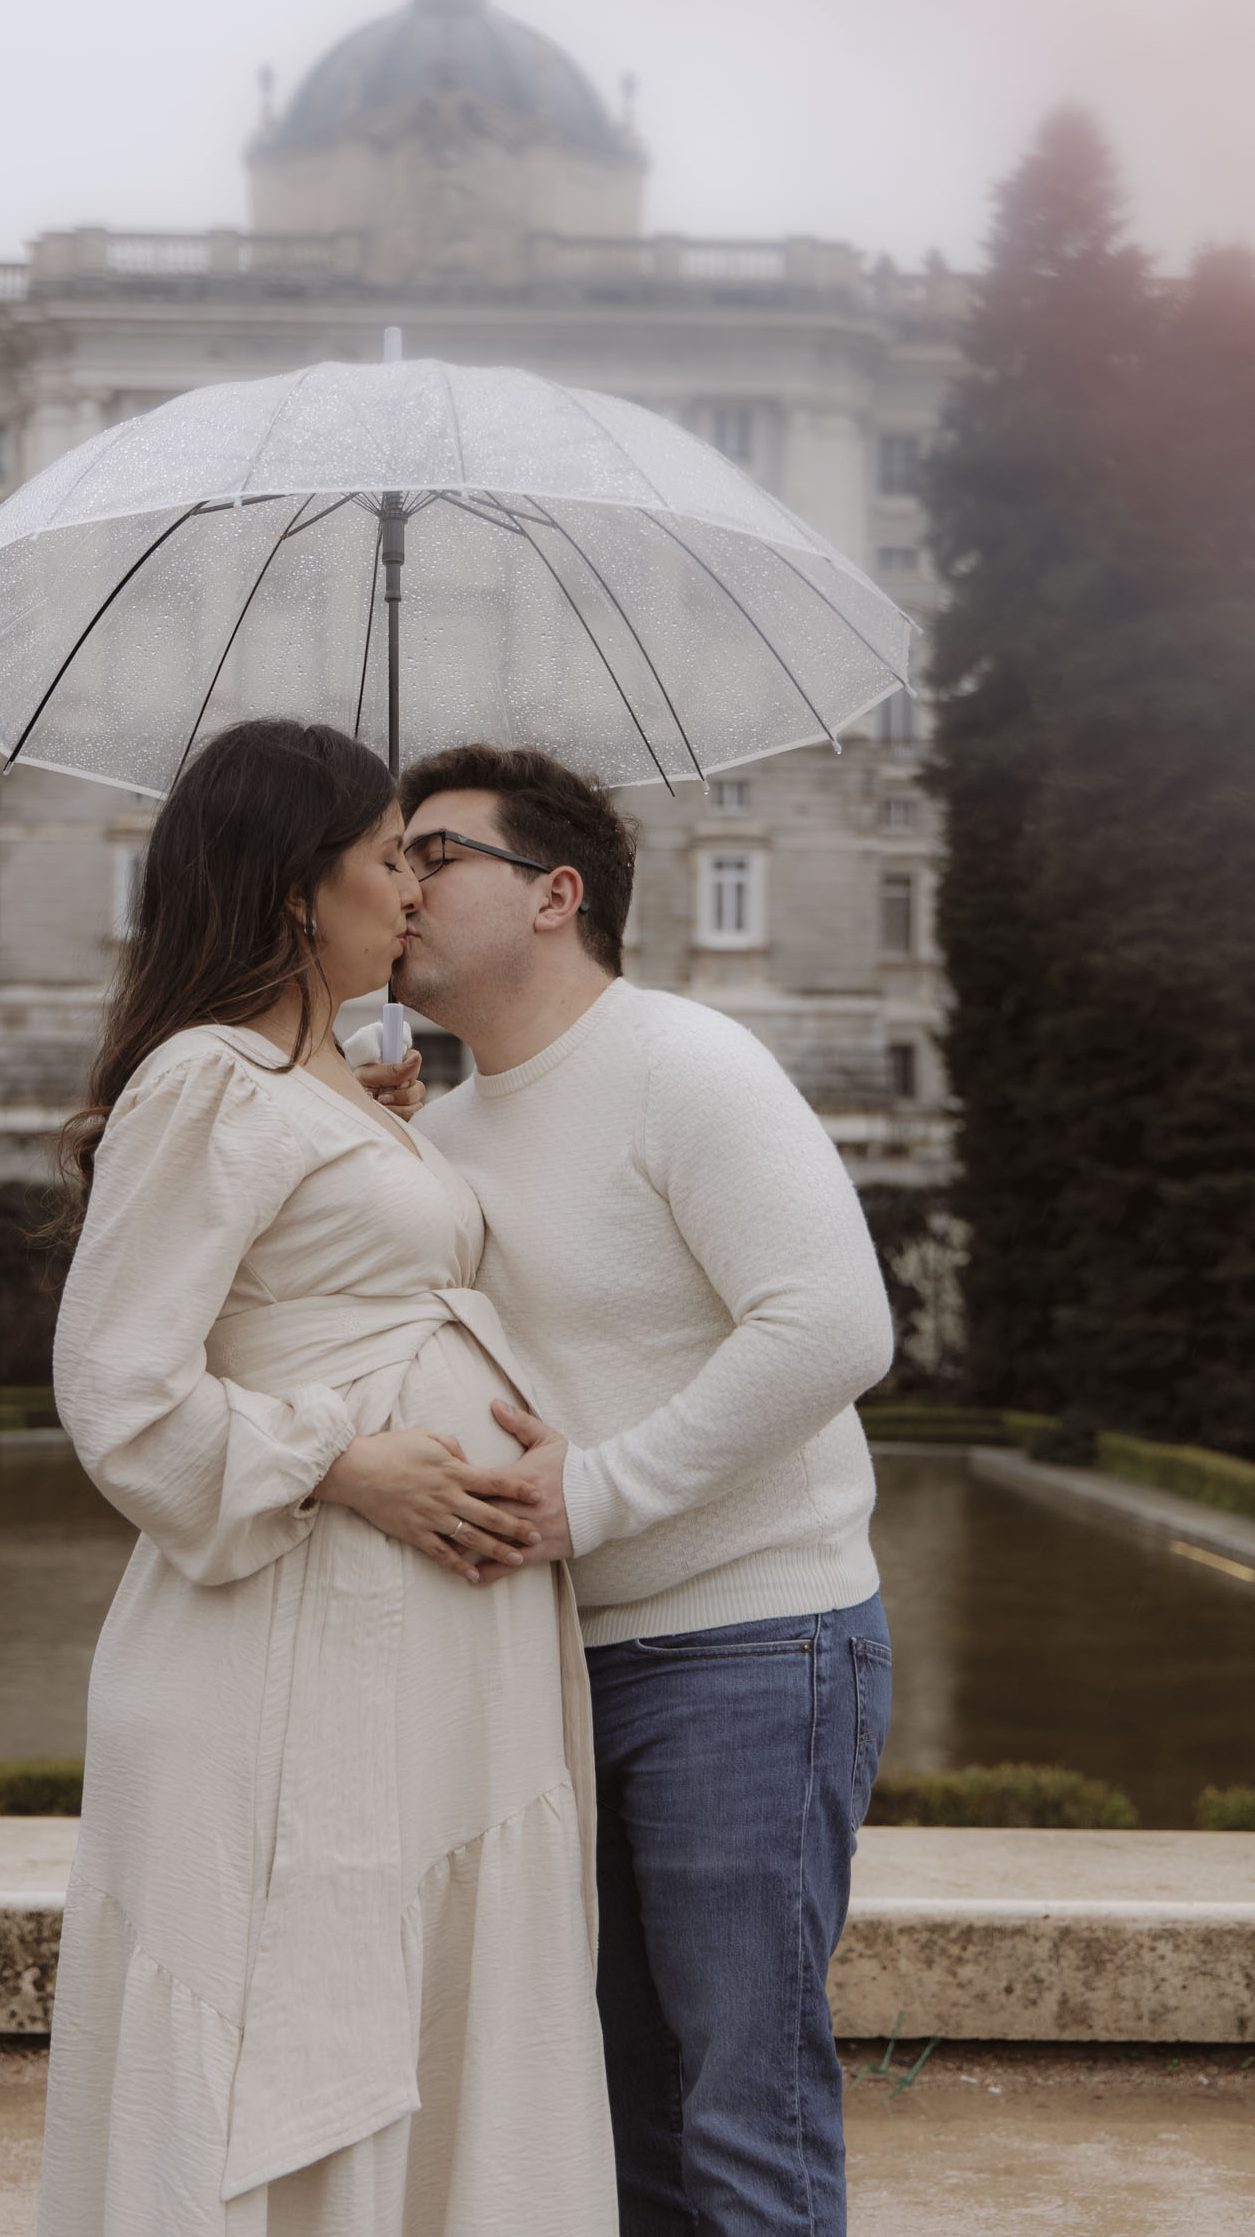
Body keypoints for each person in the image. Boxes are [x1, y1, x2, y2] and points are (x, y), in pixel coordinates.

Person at [39, 720, 616, 2237]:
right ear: (300, 891)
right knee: (292, 1997)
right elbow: (117, 1387)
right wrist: (343, 1462)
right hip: (290, 1637)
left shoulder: (334, 1084)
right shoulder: (208, 1081)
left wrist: (378, 1138)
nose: (412, 893)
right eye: (386, 858)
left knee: (419, 2000)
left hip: (416, 1656)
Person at [384, 743, 895, 2237]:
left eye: (435, 853)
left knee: (745, 2100)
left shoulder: (687, 1060)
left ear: (556, 894)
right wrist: (345, 1138)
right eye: (392, 857)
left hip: (752, 1647)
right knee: (608, 2108)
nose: (400, 884)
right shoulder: (436, 1131)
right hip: (548, 1668)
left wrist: (590, 1498)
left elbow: (834, 1325)